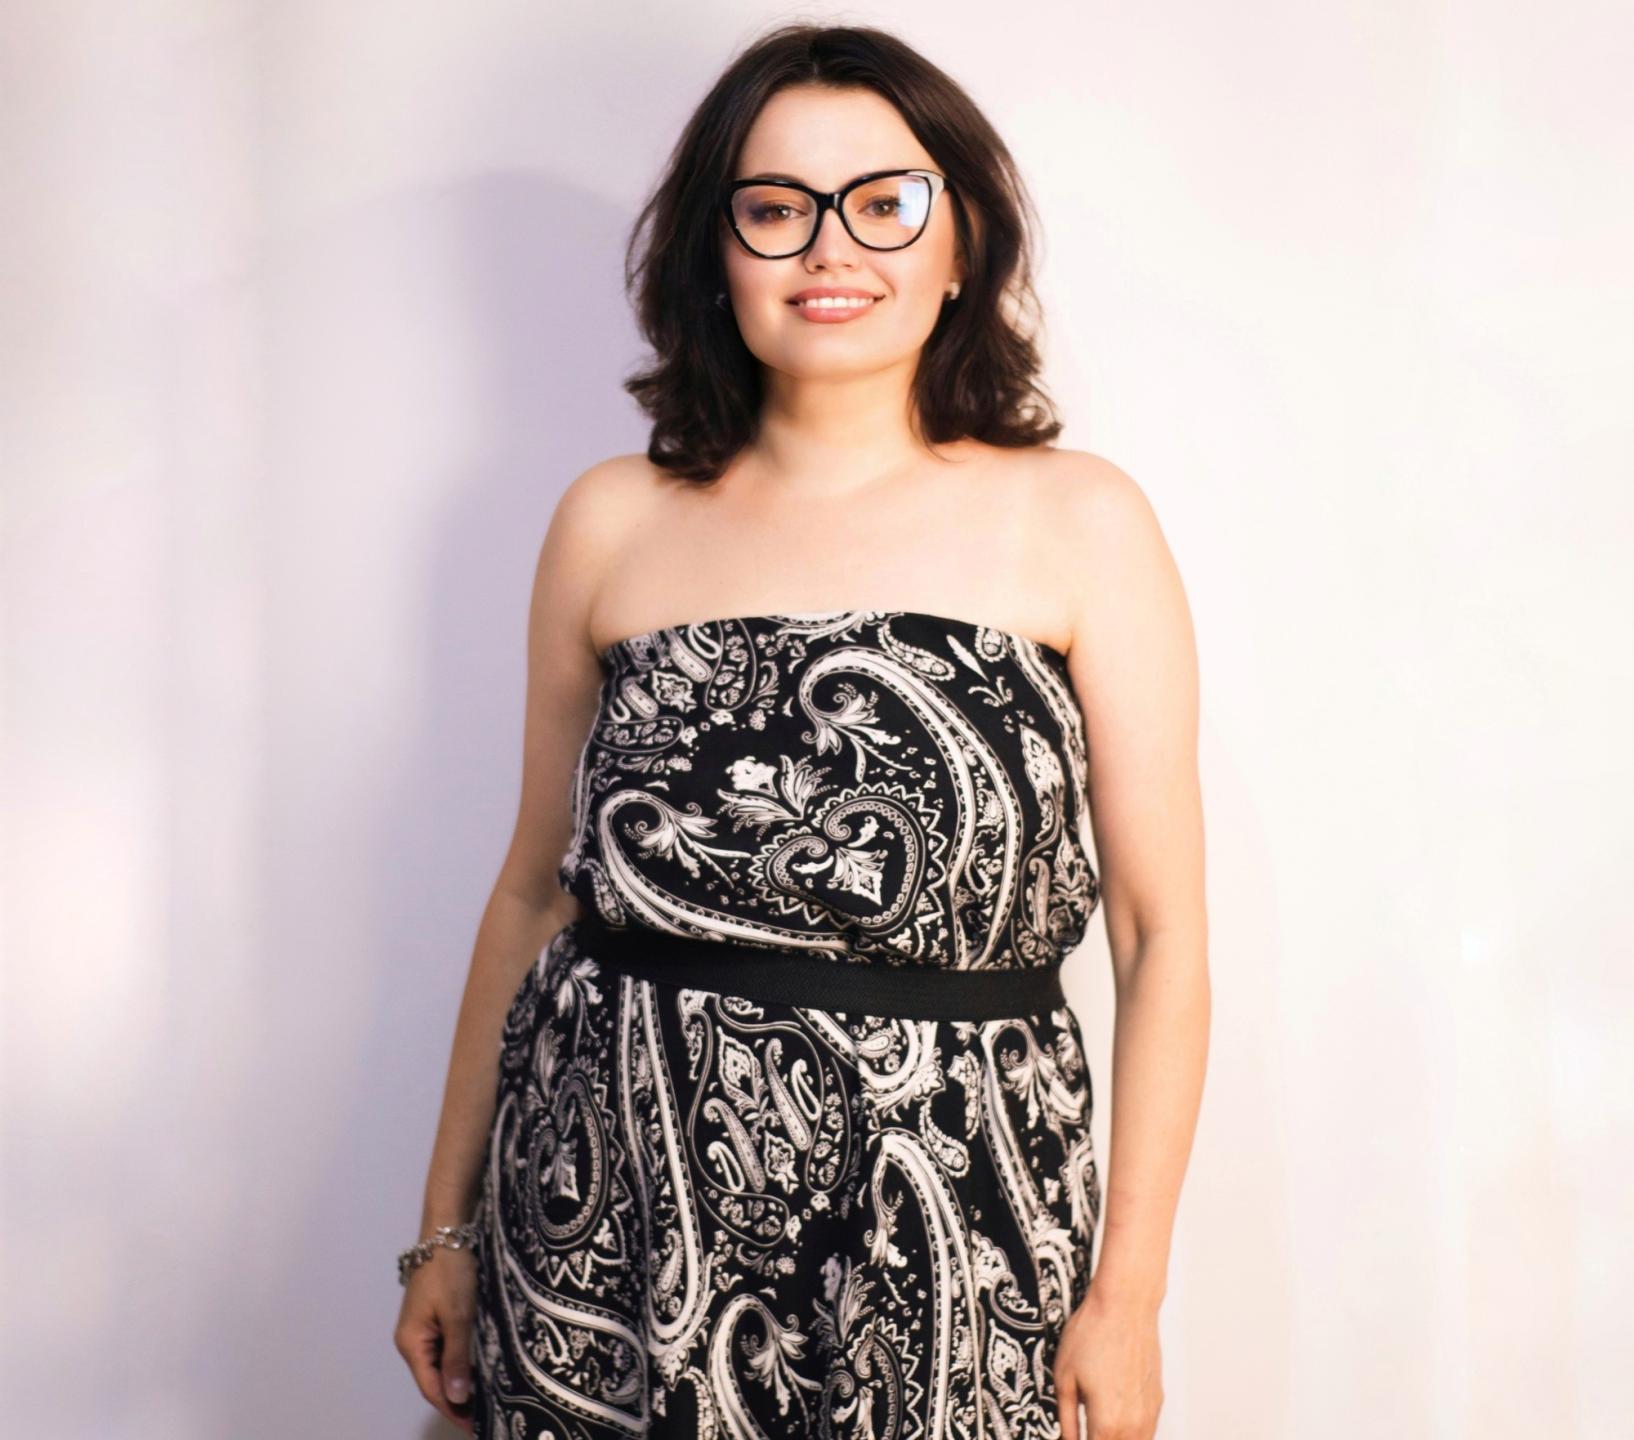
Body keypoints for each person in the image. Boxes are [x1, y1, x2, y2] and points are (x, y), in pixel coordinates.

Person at [395, 21, 1207, 1440]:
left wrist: (1127, 1295)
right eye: (775, 210)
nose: (830, 249)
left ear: (962, 243)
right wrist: (443, 1232)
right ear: (716, 255)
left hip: (955, 1231)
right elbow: (535, 891)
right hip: (609, 1233)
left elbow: (1159, 935)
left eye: (883, 203)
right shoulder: (611, 522)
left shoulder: (1080, 521)